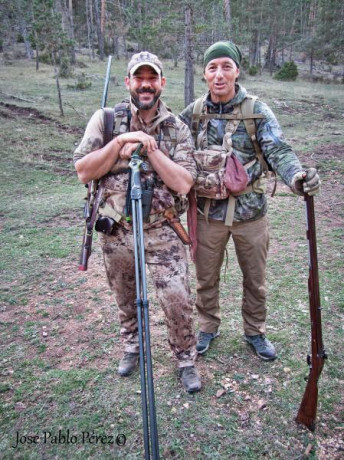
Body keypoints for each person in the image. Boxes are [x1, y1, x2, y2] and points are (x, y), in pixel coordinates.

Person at [179, 41, 321, 360]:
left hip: (251, 215)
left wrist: (296, 177)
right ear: (204, 73)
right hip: (207, 215)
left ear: (237, 71)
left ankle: (255, 331)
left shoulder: (257, 111)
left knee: (255, 280)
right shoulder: (193, 113)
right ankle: (207, 327)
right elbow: (173, 148)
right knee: (205, 279)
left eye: (226, 66)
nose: (219, 74)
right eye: (213, 67)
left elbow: (278, 150)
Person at [74, 51, 201, 392]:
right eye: (139, 77)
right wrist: (119, 143)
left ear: (162, 83)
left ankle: (186, 358)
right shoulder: (105, 120)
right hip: (116, 227)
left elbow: (184, 183)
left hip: (163, 228)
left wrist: (151, 149)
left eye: (152, 78)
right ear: (128, 82)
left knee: (176, 298)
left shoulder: (177, 128)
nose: (146, 84)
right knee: (125, 295)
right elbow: (83, 170)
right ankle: (132, 346)